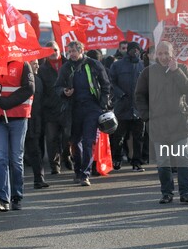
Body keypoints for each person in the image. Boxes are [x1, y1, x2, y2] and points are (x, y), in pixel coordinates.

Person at [135, 41, 188, 204]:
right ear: (155, 55)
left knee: (182, 158)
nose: (163, 57)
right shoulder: (148, 72)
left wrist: (176, 71)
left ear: (172, 53)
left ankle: (185, 192)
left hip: (180, 123)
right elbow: (139, 95)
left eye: (166, 53)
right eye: (159, 54)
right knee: (163, 161)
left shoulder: (182, 69)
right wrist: (147, 115)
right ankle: (167, 193)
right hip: (158, 125)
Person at [55, 41, 111, 186]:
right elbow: (57, 87)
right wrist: (64, 92)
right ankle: (78, 171)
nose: (72, 54)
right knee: (75, 142)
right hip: (73, 109)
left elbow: (106, 84)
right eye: (70, 51)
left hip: (92, 108)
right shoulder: (66, 67)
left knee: (88, 141)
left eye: (74, 51)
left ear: (81, 50)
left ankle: (85, 174)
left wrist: (103, 104)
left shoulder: (93, 64)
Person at [0, 60, 34, 212]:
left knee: (16, 158)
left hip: (18, 116)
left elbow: (29, 88)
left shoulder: (23, 64)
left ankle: (17, 196)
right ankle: (2, 198)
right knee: (0, 158)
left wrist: (8, 102)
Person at [109, 41, 145, 171]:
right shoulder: (117, 65)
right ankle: (117, 158)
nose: (134, 52)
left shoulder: (143, 66)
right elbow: (111, 82)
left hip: (138, 108)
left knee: (138, 137)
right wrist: (120, 94)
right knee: (119, 136)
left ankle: (136, 162)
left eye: (137, 50)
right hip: (122, 106)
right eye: (132, 50)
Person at [39, 41, 71, 175]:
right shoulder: (42, 69)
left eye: (55, 49)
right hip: (50, 109)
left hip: (67, 107)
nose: (53, 52)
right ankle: (55, 165)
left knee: (67, 136)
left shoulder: (69, 65)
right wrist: (47, 103)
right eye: (50, 50)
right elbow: (40, 90)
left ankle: (67, 156)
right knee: (51, 138)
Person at [25, 58, 49, 189]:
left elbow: (41, 102)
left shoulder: (38, 80)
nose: (37, 66)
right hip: (21, 119)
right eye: (34, 64)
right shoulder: (22, 80)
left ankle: (39, 179)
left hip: (35, 120)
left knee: (35, 151)